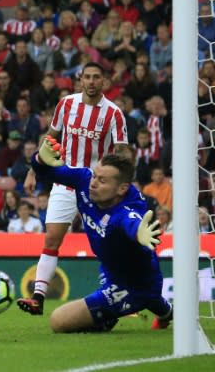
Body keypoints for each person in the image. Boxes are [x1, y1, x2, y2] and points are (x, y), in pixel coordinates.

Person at [24, 138, 172, 332]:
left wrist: (138, 233)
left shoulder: (127, 208)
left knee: (58, 321)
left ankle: (111, 316)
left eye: (102, 181)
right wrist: (39, 159)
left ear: (122, 189)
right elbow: (46, 173)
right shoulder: (84, 179)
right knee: (152, 299)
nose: (93, 183)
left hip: (134, 284)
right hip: (110, 269)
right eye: (95, 176)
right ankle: (165, 312)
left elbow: (131, 221)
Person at [20, 62, 131, 315]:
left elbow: (123, 150)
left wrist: (121, 181)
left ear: (104, 82)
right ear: (80, 80)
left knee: (112, 243)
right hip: (65, 183)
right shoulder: (66, 105)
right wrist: (32, 170)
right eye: (87, 77)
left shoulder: (113, 113)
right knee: (51, 238)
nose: (91, 81)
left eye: (96, 78)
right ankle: (38, 297)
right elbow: (51, 139)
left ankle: (125, 293)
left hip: (97, 187)